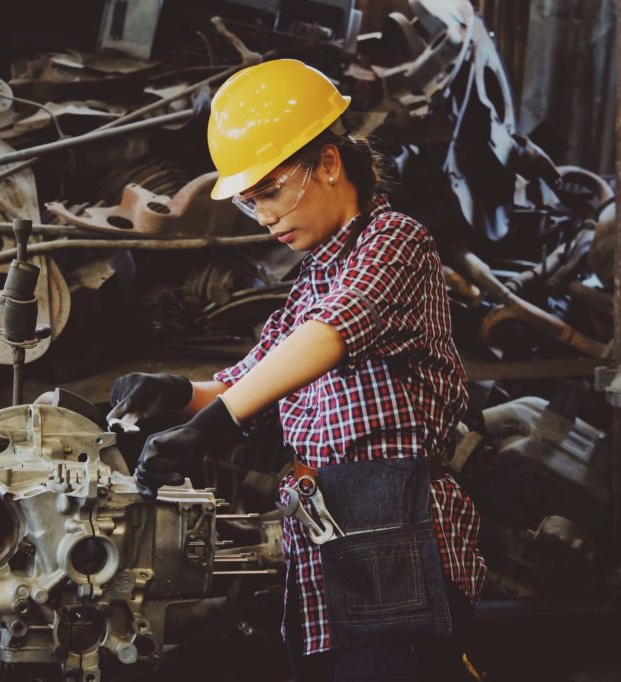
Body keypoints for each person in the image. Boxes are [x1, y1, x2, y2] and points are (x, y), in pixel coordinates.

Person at [107, 59, 487, 682]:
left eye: (272, 191)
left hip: (395, 531)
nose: (264, 217)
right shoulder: (313, 279)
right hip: (323, 536)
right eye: (252, 201)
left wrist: (215, 426)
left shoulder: (395, 241)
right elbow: (247, 380)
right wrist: (175, 394)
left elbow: (330, 334)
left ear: (329, 164)